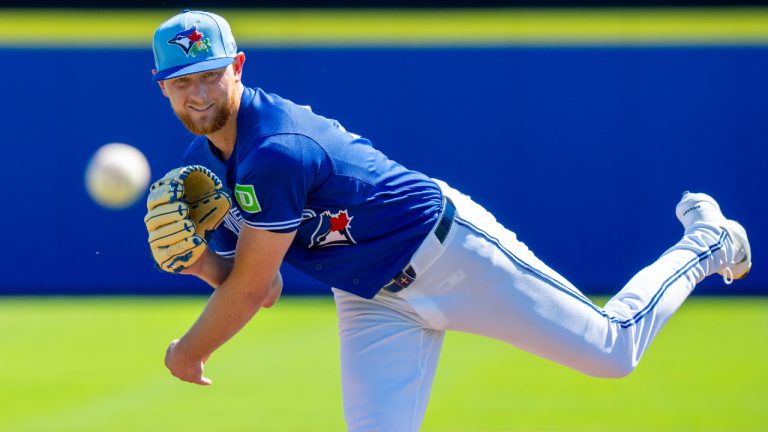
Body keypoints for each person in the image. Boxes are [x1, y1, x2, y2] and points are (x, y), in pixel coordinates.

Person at [147, 10, 752, 431]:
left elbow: (251, 291)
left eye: (209, 74)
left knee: (613, 351)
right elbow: (268, 285)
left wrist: (188, 353)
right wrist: (201, 262)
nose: (198, 93)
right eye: (182, 81)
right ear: (163, 89)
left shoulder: (273, 151)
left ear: (238, 67)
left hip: (448, 254)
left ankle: (707, 240)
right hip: (372, 298)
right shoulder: (207, 168)